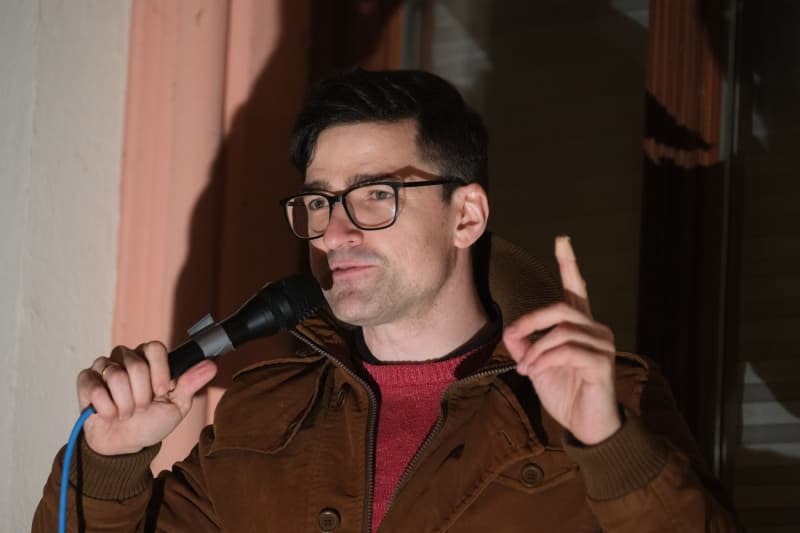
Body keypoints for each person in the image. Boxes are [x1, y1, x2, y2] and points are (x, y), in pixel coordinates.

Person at [33, 69, 740, 532]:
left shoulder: (606, 398)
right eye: (319, 200)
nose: (334, 231)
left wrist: (608, 443)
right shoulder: (260, 412)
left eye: (376, 193)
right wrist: (112, 459)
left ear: (466, 215)